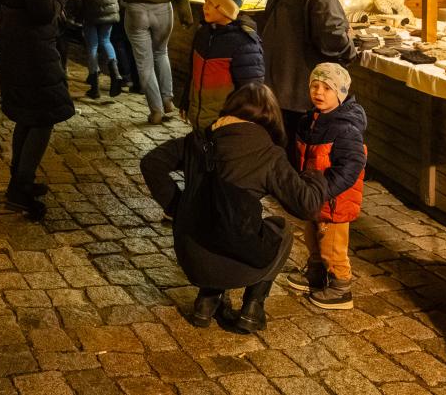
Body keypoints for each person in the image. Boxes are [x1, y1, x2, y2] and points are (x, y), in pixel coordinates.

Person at [140, 84, 326, 333]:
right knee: (281, 231)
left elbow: (151, 163)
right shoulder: (268, 155)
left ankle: (207, 301)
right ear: (270, 118)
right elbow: (308, 206)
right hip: (237, 261)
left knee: (220, 220)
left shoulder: (199, 140)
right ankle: (252, 308)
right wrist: (317, 177)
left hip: (191, 255)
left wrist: (179, 206)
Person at [0, 0, 75, 220]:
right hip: (31, 49)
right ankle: (19, 189)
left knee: (29, 115)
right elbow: (44, 13)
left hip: (22, 46)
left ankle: (20, 179)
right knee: (43, 116)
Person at [262, 0, 356, 159]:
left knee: (281, 138)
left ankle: (280, 180)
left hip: (277, 76)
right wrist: (350, 49)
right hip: (299, 79)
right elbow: (331, 36)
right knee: (298, 142)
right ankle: (295, 186)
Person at [288, 63, 367, 310]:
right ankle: (316, 273)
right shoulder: (310, 120)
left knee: (332, 246)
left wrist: (324, 190)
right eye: (315, 86)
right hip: (314, 196)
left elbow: (350, 167)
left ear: (340, 94)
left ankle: (340, 287)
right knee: (312, 238)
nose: (319, 92)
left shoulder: (345, 128)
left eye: (327, 88)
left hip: (333, 201)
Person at [105, 0, 193, 123]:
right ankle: (168, 100)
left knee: (144, 62)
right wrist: (186, 16)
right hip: (163, 11)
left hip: (136, 12)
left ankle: (156, 110)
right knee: (161, 53)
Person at [178, 0, 265, 129]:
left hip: (224, 125)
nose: (205, 7)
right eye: (206, 2)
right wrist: (186, 101)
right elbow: (192, 73)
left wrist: (233, 121)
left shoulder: (244, 43)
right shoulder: (203, 34)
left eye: (211, 3)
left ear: (225, 7)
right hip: (199, 119)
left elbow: (251, 92)